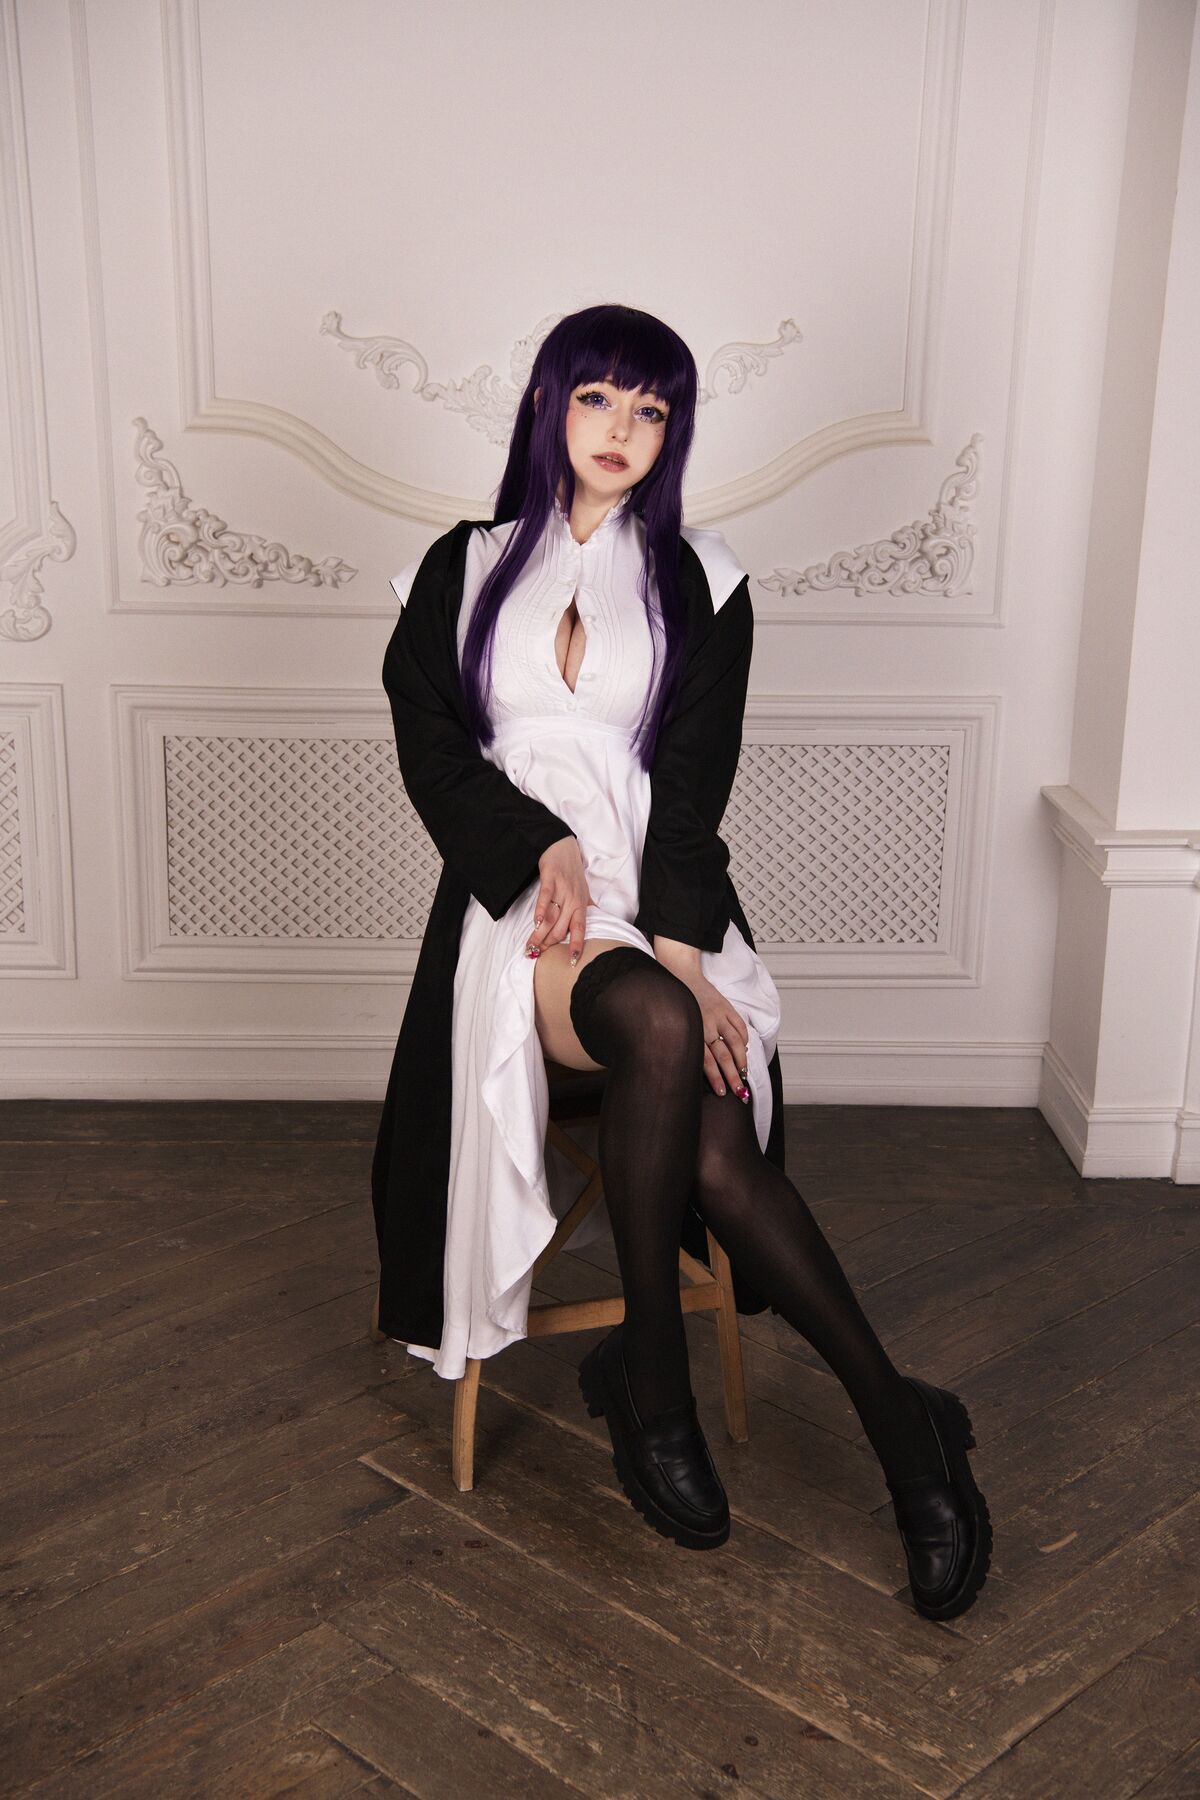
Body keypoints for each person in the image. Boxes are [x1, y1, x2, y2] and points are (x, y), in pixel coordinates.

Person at [374, 303, 991, 1620]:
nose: (622, 431)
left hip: (664, 911)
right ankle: (669, 1385)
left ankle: (898, 1430)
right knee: (657, 1028)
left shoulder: (704, 580)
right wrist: (535, 844)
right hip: (524, 918)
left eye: (650, 410)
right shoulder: (463, 566)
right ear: (548, 406)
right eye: (598, 399)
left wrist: (690, 959)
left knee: (706, 1118)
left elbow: (696, 791)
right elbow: (430, 746)